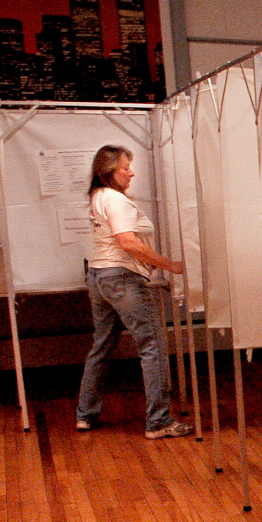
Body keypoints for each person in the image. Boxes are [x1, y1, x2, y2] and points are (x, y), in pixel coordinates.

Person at [75, 145, 193, 439]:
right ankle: (159, 422)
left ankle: (85, 415)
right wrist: (169, 265)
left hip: (99, 276)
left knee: (101, 348)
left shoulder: (97, 197)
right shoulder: (116, 200)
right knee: (152, 346)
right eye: (124, 168)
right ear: (108, 172)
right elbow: (127, 242)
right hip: (121, 279)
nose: (131, 172)